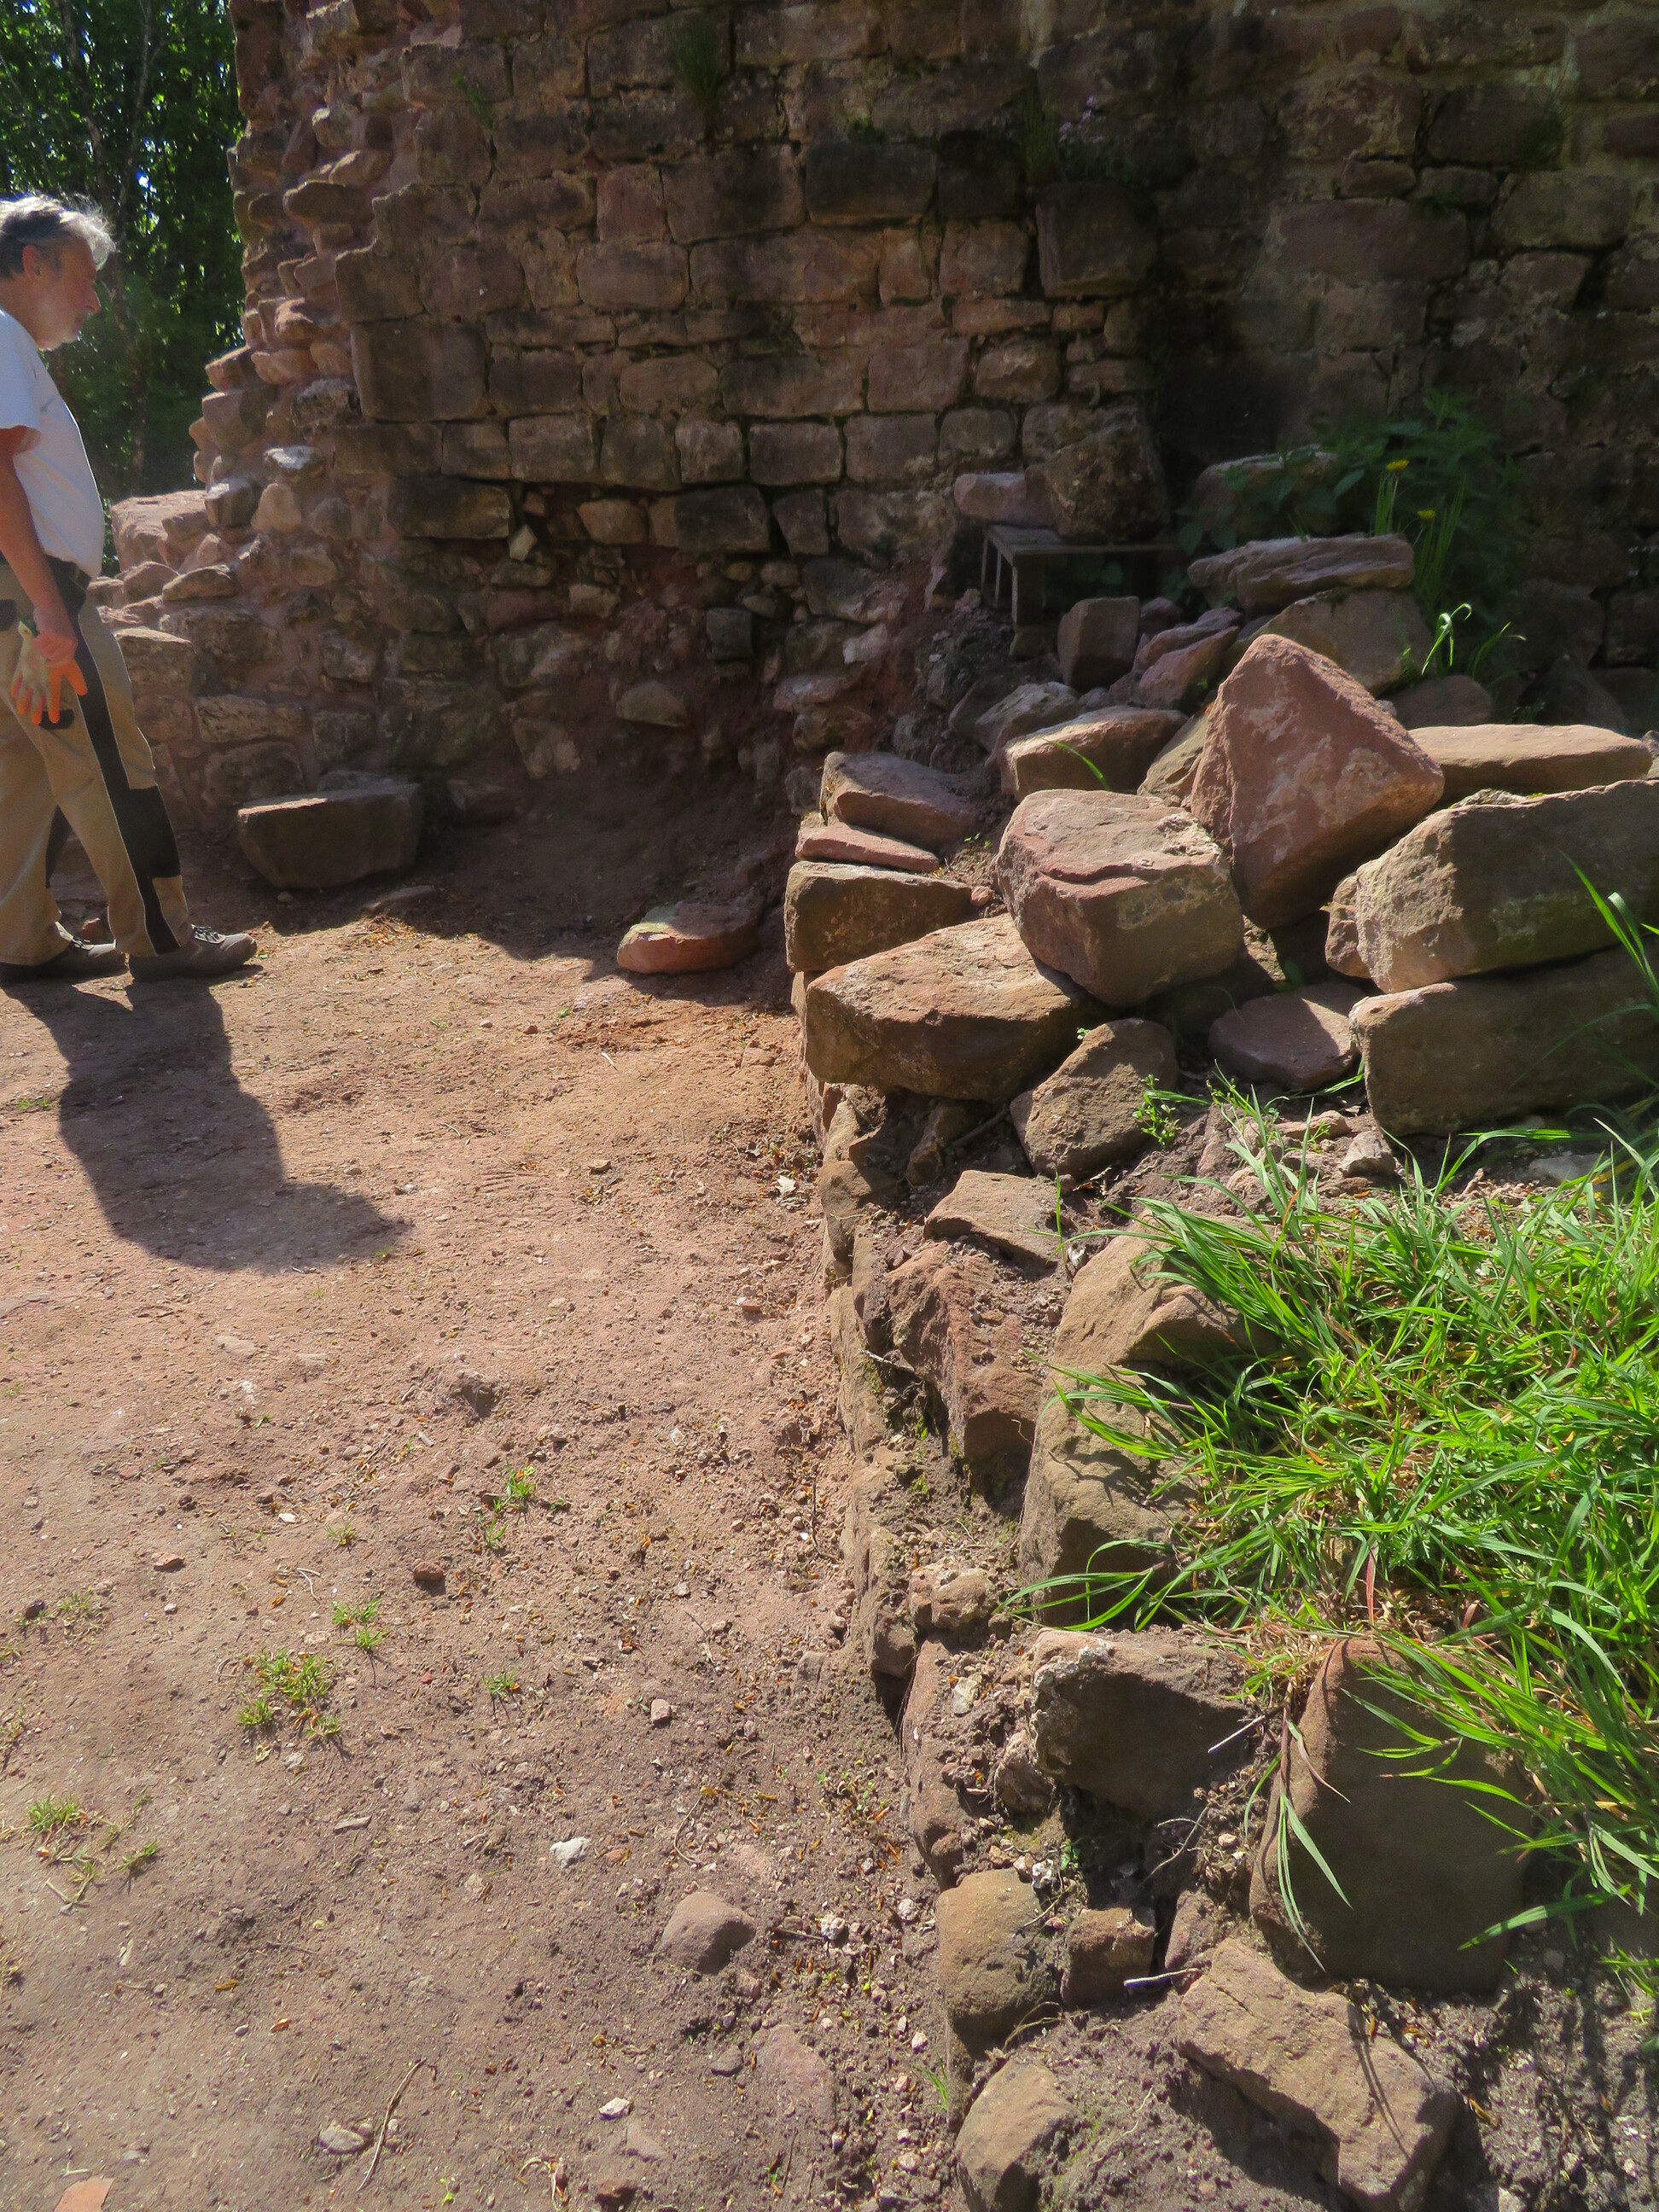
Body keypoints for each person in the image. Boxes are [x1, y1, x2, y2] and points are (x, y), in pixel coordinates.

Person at [0, 194, 254, 983]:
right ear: (32, 263)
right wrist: (50, 609)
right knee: (109, 760)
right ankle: (162, 936)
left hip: (8, 604)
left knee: (21, 772)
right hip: (36, 598)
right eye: (82, 278)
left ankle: (20, 940)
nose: (93, 300)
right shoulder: (2, 337)